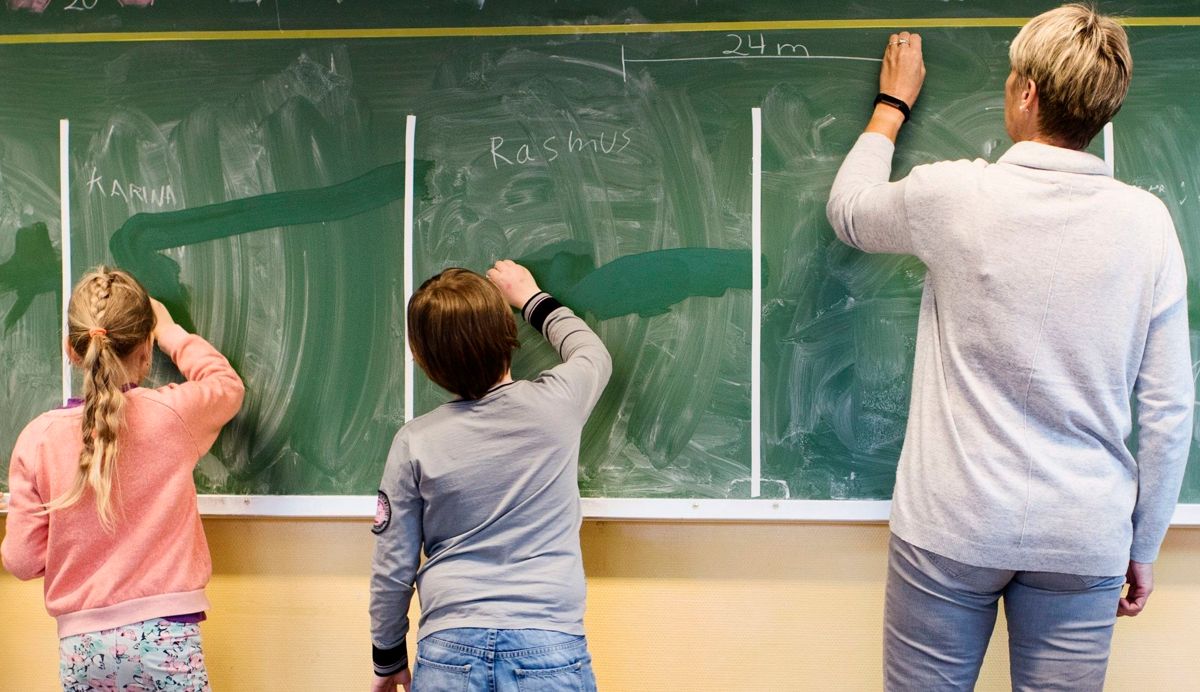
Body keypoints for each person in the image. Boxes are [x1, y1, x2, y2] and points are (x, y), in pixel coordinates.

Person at [825, 5, 1193, 690]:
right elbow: (1170, 409)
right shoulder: (1148, 224)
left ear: (1026, 93)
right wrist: (1143, 545)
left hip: (951, 525)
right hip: (1084, 535)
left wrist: (890, 106)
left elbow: (849, 210)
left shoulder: (955, 194)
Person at [370, 260, 612, 692]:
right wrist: (530, 298)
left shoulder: (414, 442)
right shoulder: (557, 405)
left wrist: (388, 660)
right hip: (548, 642)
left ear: (422, 360)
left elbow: (393, 567)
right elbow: (592, 353)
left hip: (449, 648)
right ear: (509, 333)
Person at [1, 267, 245, 691]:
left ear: (70, 350)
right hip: (168, 635)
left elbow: (21, 561)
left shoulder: (37, 439)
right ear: (147, 351)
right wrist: (170, 331)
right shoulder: (171, 415)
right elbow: (226, 386)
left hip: (82, 645)